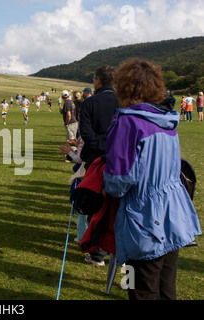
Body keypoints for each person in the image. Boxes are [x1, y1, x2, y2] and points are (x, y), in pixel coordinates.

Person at [104, 58, 201, 300]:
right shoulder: (167, 120)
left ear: (124, 87)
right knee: (166, 287)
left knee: (139, 289)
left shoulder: (127, 121)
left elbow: (119, 182)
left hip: (143, 221)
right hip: (173, 217)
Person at [79, 65, 120, 266]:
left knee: (94, 203)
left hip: (96, 160)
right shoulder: (123, 102)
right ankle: (107, 248)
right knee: (114, 205)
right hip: (119, 159)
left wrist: (100, 149)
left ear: (98, 81)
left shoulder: (90, 102)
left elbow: (85, 133)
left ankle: (97, 251)